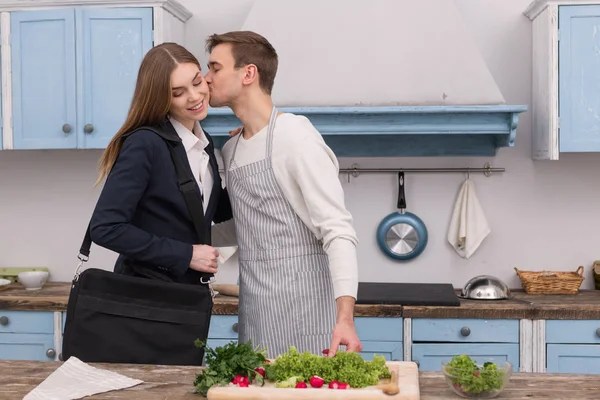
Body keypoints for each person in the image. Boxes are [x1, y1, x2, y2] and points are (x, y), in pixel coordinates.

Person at [204, 31, 362, 359]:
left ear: (248, 73)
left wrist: (345, 318)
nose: (206, 79)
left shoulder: (295, 138)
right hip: (256, 315)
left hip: (307, 315)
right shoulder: (231, 149)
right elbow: (244, 228)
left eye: (215, 68)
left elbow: (338, 230)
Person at [90, 43, 232, 298]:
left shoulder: (204, 144)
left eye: (197, 82)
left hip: (186, 299)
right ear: (160, 98)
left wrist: (248, 149)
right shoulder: (146, 143)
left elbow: (217, 211)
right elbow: (105, 227)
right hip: (144, 299)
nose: (194, 96)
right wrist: (186, 254)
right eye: (178, 92)